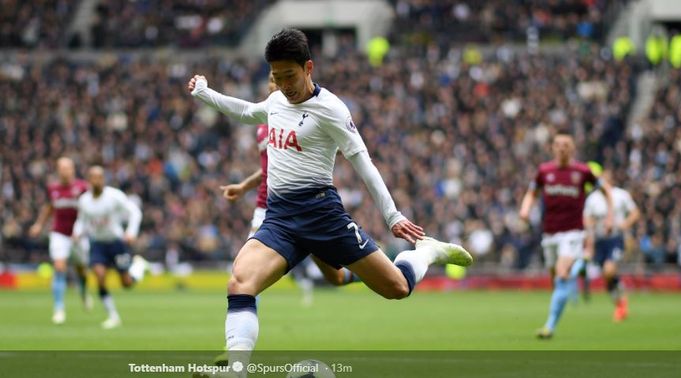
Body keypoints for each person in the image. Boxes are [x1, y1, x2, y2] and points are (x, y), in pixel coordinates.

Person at [189, 28, 472, 361]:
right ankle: (237, 367)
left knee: (396, 288)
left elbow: (363, 162)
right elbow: (246, 112)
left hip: (322, 215)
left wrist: (393, 216)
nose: (284, 85)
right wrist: (205, 93)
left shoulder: (332, 109)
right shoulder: (277, 100)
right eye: (277, 77)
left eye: (290, 76)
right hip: (280, 218)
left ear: (308, 68)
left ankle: (427, 253)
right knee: (240, 282)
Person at [219, 73, 359, 307]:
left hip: (303, 206)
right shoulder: (263, 125)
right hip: (267, 207)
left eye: (279, 81)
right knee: (244, 276)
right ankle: (241, 331)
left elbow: (325, 147)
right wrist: (244, 186)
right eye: (271, 82)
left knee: (334, 277)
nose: (275, 86)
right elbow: (268, 168)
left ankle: (363, 274)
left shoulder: (302, 119)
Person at [519, 131, 613, 339]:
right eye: (558, 144)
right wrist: (525, 209)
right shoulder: (545, 171)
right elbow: (531, 193)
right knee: (556, 280)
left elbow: (606, 192)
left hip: (573, 233)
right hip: (550, 234)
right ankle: (577, 269)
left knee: (561, 274)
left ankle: (549, 327)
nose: (562, 148)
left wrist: (609, 218)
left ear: (572, 148)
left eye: (566, 144)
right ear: (552, 147)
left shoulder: (582, 171)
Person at [72, 166, 149, 329]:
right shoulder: (84, 200)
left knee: (126, 283)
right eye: (93, 177)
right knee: (99, 276)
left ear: (103, 179)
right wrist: (77, 232)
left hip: (116, 243)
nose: (96, 180)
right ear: (88, 180)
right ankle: (113, 316)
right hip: (97, 243)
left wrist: (131, 232)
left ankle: (139, 267)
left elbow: (135, 212)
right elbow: (81, 220)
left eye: (99, 177)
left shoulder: (114, 196)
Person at [29, 157, 91, 324]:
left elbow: (90, 210)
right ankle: (59, 309)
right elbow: (49, 208)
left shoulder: (82, 187)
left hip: (79, 236)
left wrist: (84, 229)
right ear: (58, 170)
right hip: (59, 233)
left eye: (68, 168)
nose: (65, 171)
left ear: (73, 169)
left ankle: (84, 294)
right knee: (59, 266)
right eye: (62, 168)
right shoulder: (53, 188)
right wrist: (39, 224)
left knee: (82, 270)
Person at [584, 170, 640, 322]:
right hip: (599, 240)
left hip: (615, 238)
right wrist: (589, 242)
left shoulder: (621, 195)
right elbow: (587, 221)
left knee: (609, 270)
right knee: (606, 276)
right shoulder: (592, 199)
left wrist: (624, 224)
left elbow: (635, 213)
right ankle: (620, 303)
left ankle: (621, 300)